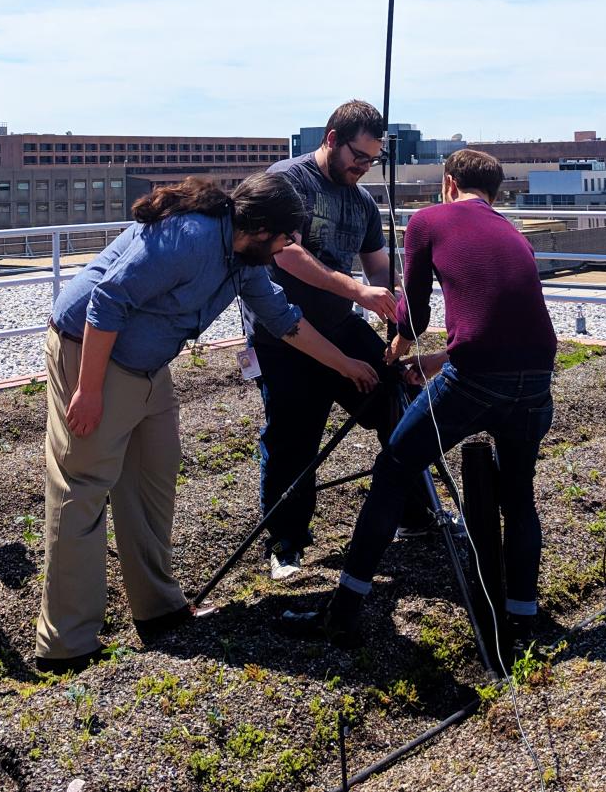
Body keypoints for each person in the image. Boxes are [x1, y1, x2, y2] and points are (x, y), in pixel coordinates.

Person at [37, 174, 379, 673]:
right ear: (261, 228)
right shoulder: (190, 238)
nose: (290, 247)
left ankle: (159, 611)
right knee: (83, 488)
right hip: (90, 352)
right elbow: (106, 301)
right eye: (288, 237)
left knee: (153, 478)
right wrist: (88, 391)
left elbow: (285, 320)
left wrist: (346, 365)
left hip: (147, 364)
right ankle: (67, 645)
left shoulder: (244, 261)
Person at [283, 149, 557, 657]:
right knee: (518, 494)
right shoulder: (513, 232)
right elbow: (498, 320)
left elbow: (416, 313)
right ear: (493, 192)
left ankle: (341, 611)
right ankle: (524, 617)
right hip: (537, 378)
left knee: (394, 469)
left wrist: (398, 348)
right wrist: (434, 363)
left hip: (475, 379)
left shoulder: (428, 220)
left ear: (448, 183)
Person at [249, 100, 428, 582]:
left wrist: (399, 308)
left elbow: (377, 269)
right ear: (331, 138)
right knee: (294, 436)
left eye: (372, 160)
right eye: (358, 156)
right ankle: (286, 544)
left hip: (337, 323)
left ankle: (415, 512)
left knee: (400, 401)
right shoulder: (287, 181)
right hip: (282, 332)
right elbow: (286, 254)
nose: (363, 168)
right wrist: (358, 291)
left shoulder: (363, 201)